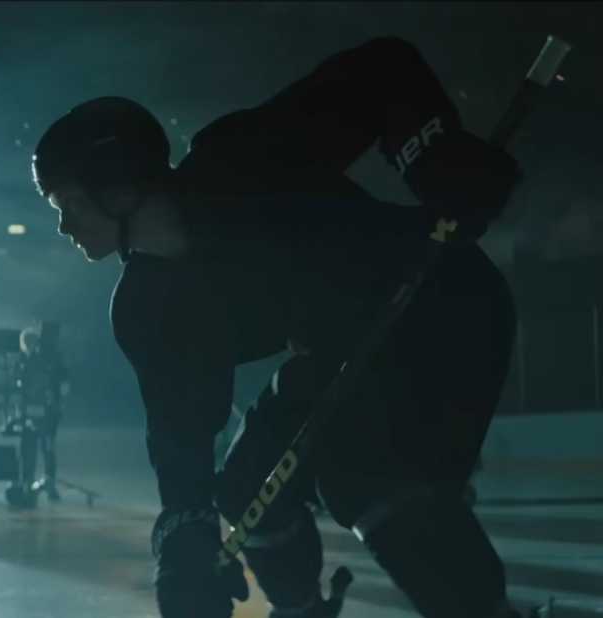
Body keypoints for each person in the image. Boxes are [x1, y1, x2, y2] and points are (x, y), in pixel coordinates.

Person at [32, 38, 523, 618]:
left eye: (69, 203)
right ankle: (300, 610)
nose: (63, 227)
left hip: (441, 304)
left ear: (118, 186)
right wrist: (186, 542)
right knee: (247, 488)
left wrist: (439, 163)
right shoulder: (146, 310)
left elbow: (383, 70)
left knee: (371, 482)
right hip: (340, 350)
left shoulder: (242, 161)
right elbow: (179, 433)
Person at [17, 325, 69, 501]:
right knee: (30, 449)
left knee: (47, 448)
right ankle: (28, 481)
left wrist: (59, 403)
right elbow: (20, 384)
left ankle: (48, 482)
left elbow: (63, 382)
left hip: (48, 411)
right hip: (32, 410)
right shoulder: (27, 359)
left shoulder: (54, 359)